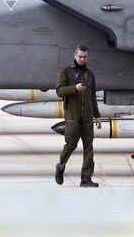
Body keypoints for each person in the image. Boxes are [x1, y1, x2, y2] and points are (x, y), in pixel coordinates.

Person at [54, 45, 102, 187]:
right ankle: (61, 166)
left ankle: (86, 178)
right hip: (72, 117)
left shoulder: (89, 74)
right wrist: (74, 88)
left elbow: (92, 97)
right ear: (75, 55)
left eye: (85, 57)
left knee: (89, 147)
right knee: (71, 145)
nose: (82, 59)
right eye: (80, 56)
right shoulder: (66, 71)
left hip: (87, 118)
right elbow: (59, 91)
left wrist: (97, 115)